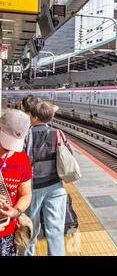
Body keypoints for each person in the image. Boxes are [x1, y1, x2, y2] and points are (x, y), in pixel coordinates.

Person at [21, 101, 69, 256]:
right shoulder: (58, 134)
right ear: (50, 117)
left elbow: (21, 161)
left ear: (33, 117)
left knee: (29, 229)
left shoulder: (26, 135)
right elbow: (68, 158)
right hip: (56, 187)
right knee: (55, 231)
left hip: (32, 189)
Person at [0, 110, 33, 256]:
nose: (9, 148)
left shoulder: (22, 159)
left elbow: (26, 194)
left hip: (7, 234)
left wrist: (16, 211)